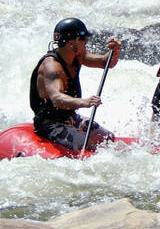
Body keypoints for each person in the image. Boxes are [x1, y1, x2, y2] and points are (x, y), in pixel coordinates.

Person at [30, 18, 122, 151]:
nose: (87, 41)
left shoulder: (77, 55)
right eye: (83, 39)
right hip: (49, 123)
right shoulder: (52, 67)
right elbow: (57, 99)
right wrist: (84, 102)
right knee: (88, 145)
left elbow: (105, 62)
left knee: (108, 138)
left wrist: (115, 50)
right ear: (71, 43)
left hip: (70, 117)